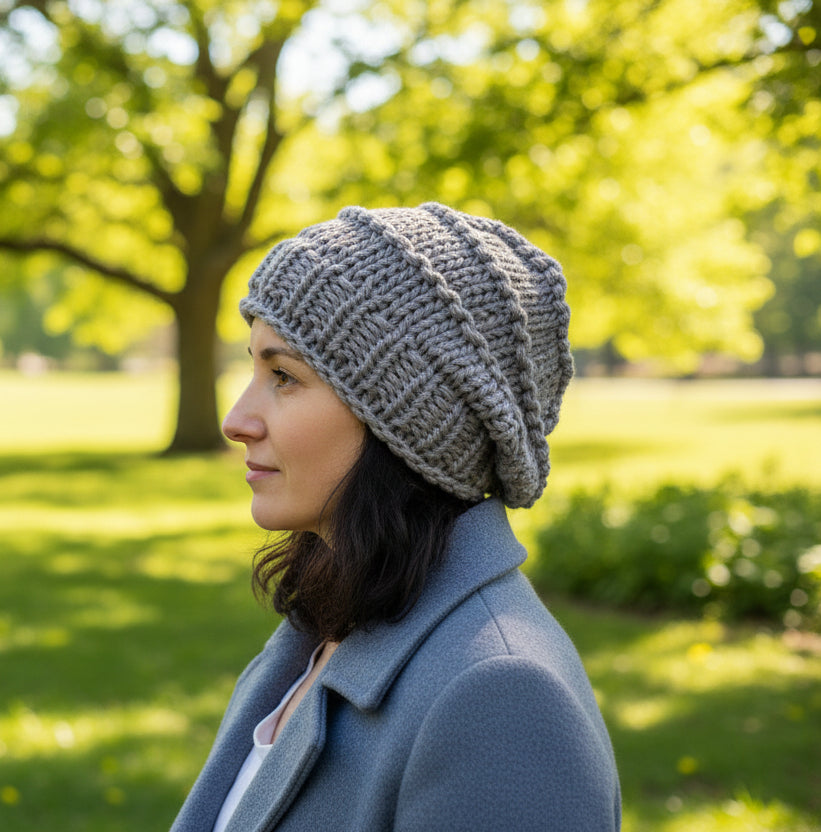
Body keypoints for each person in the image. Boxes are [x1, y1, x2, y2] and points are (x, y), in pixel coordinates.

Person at [170, 202, 621, 832]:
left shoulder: (500, 697)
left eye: (284, 376)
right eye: (252, 366)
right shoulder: (330, 623)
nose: (236, 420)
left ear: (405, 421)